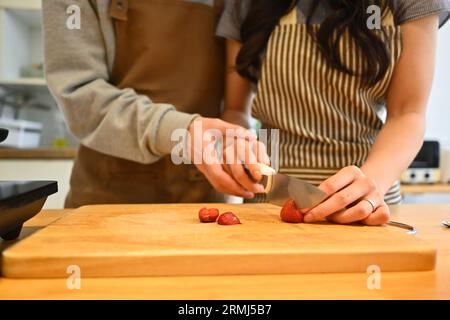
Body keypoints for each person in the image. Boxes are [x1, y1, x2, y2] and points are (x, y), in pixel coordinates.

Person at [216, 0, 450, 225]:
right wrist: (238, 145)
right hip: (268, 206)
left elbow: (407, 114)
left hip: (365, 209)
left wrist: (368, 186)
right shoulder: (245, 3)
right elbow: (236, 110)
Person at [42, 0, 266, 208]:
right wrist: (182, 133)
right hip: (108, 199)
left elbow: (236, 109)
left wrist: (234, 146)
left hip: (203, 200)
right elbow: (80, 97)